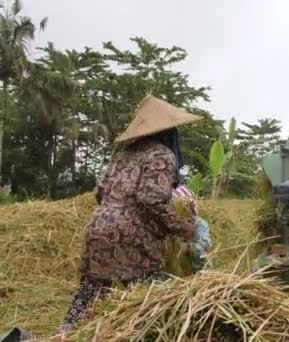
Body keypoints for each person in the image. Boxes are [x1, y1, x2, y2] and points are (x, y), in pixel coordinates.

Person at [57, 95, 202, 334]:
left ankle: (63, 335)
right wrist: (184, 228)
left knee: (88, 294)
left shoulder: (122, 155)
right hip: (132, 237)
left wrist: (115, 211)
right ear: (168, 133)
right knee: (143, 302)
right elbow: (150, 199)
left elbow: (100, 193)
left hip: (99, 227)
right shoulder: (162, 156)